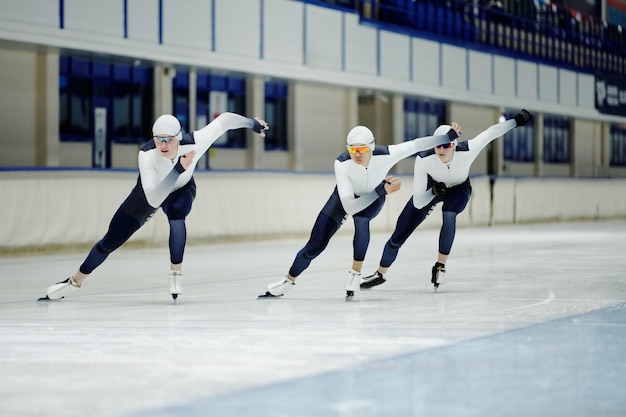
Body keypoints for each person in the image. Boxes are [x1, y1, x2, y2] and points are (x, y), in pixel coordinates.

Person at [39, 112, 269, 302]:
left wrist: (252, 124)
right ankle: (75, 281)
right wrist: (177, 169)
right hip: (151, 193)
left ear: (179, 138)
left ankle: (175, 272)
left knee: (177, 212)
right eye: (159, 139)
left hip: (181, 188)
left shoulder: (196, 141)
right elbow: (153, 198)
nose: (163, 145)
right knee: (110, 241)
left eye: (169, 139)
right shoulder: (147, 155)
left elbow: (226, 120)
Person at [259, 123, 461, 301]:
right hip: (347, 199)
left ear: (371, 148)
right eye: (352, 149)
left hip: (374, 198)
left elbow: (417, 144)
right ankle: (287, 281)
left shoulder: (387, 154)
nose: (356, 154)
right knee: (314, 246)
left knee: (362, 221)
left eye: (362, 149)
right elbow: (349, 207)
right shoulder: (342, 163)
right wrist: (380, 190)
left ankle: (355, 274)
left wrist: (448, 137)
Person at [360, 109, 532, 292]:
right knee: (400, 232)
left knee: (449, 214)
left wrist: (516, 121)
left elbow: (491, 133)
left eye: (447, 146)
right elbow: (418, 202)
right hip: (431, 189)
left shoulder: (467, 150)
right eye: (438, 146)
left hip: (458, 188)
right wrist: (433, 192)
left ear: (454, 145)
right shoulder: (424, 159)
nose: (441, 150)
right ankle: (380, 274)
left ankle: (440, 266)